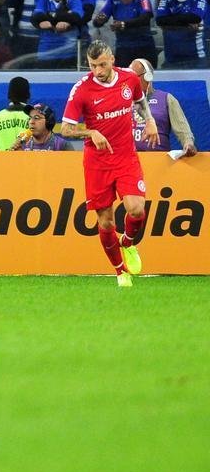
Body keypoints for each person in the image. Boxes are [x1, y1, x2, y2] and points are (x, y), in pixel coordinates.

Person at [59, 40, 158, 287]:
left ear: (112, 59)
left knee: (136, 209)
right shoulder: (81, 90)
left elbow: (139, 100)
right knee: (106, 222)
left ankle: (127, 243)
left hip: (125, 156)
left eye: (102, 65)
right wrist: (90, 132)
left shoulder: (129, 79)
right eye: (93, 66)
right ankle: (120, 272)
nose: (98, 71)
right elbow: (65, 129)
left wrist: (149, 121)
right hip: (97, 162)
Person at [129, 58, 198, 156]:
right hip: (129, 160)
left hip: (159, 160)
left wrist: (188, 144)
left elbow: (182, 129)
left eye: (133, 77)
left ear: (147, 77)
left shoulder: (167, 98)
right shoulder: (122, 100)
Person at [0, 75, 32, 150]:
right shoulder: (40, 120)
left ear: (9, 96)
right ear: (28, 95)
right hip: (32, 162)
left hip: (0, 162)